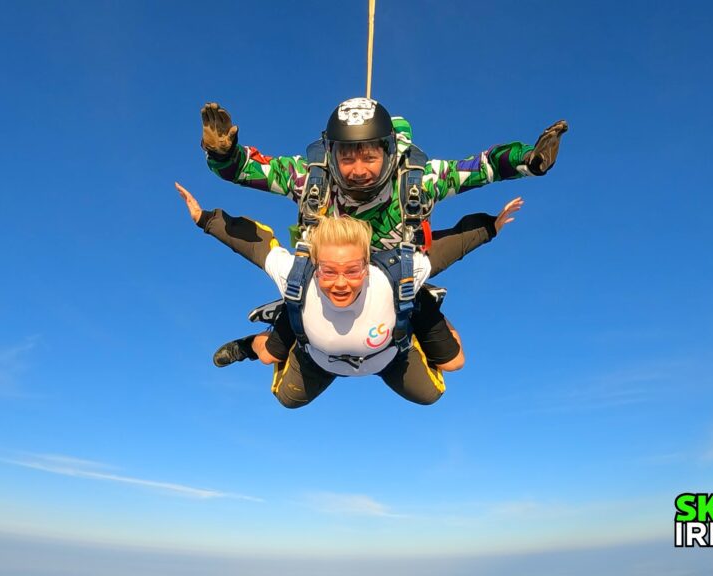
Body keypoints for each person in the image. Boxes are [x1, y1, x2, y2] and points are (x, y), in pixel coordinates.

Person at [175, 182, 521, 408]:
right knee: (280, 382)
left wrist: (490, 226)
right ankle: (254, 339)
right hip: (317, 353)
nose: (340, 283)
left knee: (449, 371)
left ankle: (421, 302)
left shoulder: (392, 277)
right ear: (316, 267)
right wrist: (205, 219)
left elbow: (449, 248)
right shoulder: (298, 276)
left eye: (353, 270)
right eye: (328, 271)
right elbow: (254, 246)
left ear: (367, 266)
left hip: (389, 352)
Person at [201, 97, 566, 249]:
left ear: (390, 152)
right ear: (330, 154)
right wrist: (223, 153)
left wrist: (528, 160)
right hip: (330, 280)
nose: (358, 170)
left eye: (370, 157)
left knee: (446, 357)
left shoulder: (418, 180)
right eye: (347, 158)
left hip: (398, 277)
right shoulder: (313, 177)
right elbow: (247, 171)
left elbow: (483, 166)